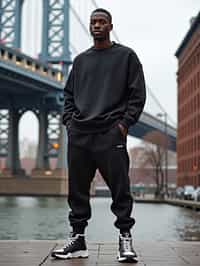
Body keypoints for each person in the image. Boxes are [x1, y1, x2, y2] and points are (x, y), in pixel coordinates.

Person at [51, 8, 146, 263]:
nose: (96, 25)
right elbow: (68, 95)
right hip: (80, 135)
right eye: (93, 22)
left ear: (110, 26)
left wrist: (123, 125)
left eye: (101, 22)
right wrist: (69, 122)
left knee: (120, 189)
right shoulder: (81, 60)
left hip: (110, 134)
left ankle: (125, 239)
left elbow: (137, 96)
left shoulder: (126, 56)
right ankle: (78, 240)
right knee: (77, 191)